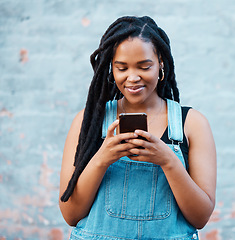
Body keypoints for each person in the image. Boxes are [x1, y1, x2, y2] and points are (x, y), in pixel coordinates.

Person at [59, 16, 216, 240]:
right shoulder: (88, 122)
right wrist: (102, 158)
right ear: (110, 68)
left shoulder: (192, 123)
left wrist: (168, 161)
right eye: (121, 68)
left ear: (161, 62)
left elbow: (200, 218)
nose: (132, 77)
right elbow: (70, 214)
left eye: (144, 66)